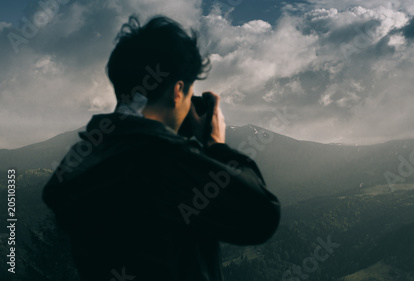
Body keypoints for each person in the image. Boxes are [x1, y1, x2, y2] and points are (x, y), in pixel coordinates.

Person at [42, 15, 280, 281]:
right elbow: (262, 217)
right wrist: (216, 145)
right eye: (190, 94)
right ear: (178, 90)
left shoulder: (80, 158)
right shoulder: (163, 162)